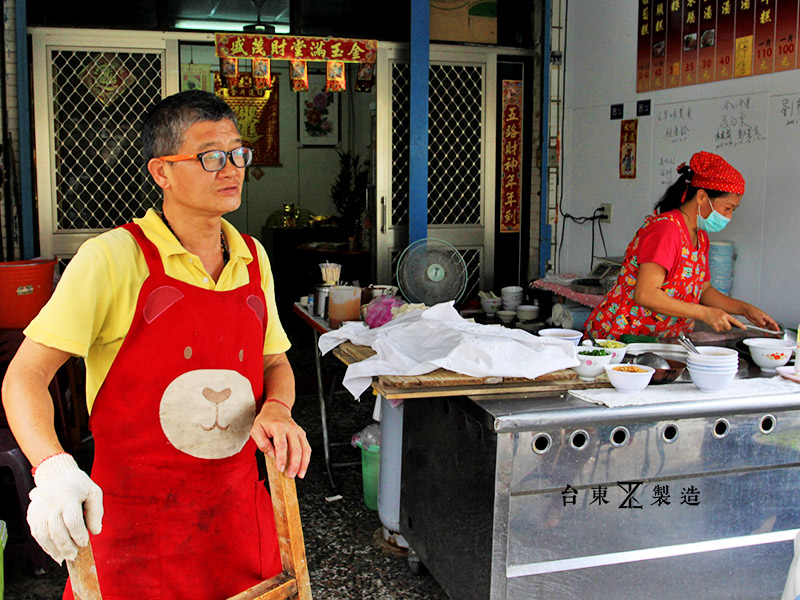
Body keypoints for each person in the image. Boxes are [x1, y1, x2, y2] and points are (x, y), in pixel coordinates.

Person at [1, 90, 312, 599]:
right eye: (210, 156)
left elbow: (274, 359)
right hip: (136, 528)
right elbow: (26, 374)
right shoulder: (111, 258)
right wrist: (53, 467)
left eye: (238, 152)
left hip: (236, 518)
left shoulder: (253, 256)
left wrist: (277, 407)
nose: (230, 168)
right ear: (162, 172)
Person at [584, 151, 778, 340]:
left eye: (733, 210)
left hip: (661, 339)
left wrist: (745, 309)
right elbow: (645, 294)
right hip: (622, 338)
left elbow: (703, 290)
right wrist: (704, 313)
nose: (728, 217)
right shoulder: (666, 229)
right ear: (702, 197)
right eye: (727, 208)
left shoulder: (700, 237)